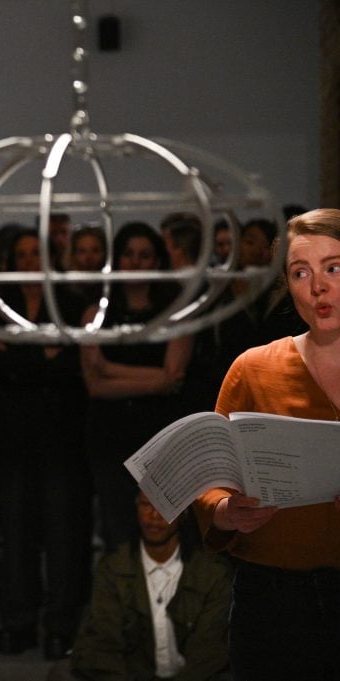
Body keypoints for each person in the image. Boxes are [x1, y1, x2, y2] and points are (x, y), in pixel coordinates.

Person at [192, 208, 340, 680]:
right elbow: (211, 478)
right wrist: (222, 511)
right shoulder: (255, 368)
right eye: (301, 272)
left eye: (333, 268)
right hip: (272, 594)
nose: (317, 287)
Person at [0, 228, 90, 659]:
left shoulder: (74, 304)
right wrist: (41, 355)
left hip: (62, 437)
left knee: (65, 535)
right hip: (9, 439)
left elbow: (69, 369)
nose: (28, 260)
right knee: (15, 533)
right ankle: (17, 622)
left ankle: (60, 626)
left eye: (35, 253)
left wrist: (18, 357)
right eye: (21, 253)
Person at [81, 222, 194, 552]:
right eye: (128, 254)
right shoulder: (95, 314)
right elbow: (95, 386)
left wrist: (109, 368)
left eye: (145, 255)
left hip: (161, 434)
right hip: (109, 435)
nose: (135, 262)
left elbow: (174, 377)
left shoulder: (176, 312)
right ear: (116, 261)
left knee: (167, 529)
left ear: (158, 262)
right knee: (118, 530)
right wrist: (155, 379)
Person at [50, 491, 232, 681]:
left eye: (164, 508)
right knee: (62, 674)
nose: (153, 515)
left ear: (182, 514)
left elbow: (209, 649)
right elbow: (104, 640)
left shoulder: (211, 572)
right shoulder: (114, 567)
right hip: (133, 675)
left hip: (190, 676)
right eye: (146, 505)